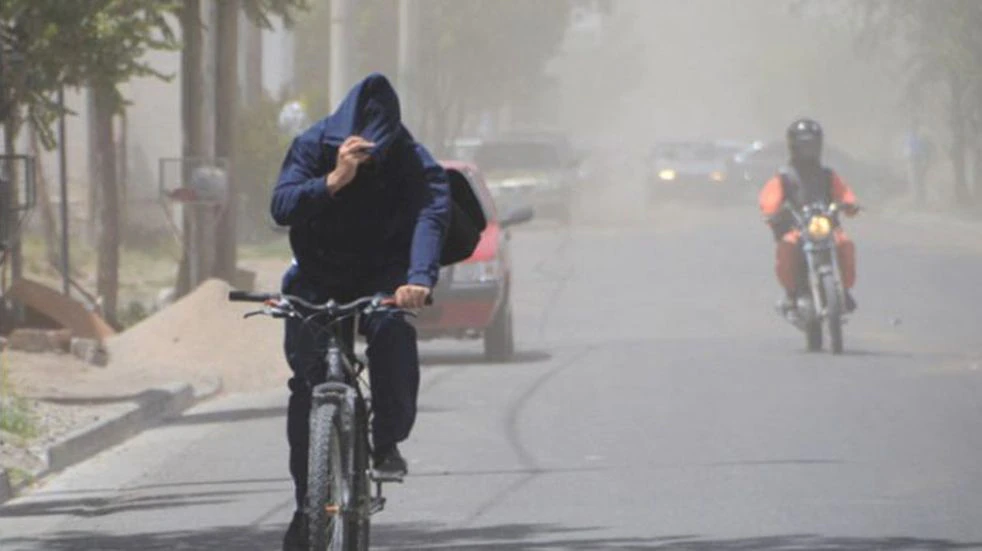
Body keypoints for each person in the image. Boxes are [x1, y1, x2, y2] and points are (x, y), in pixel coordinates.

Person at [270, 73, 450, 550]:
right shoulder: (312, 145)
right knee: (306, 387)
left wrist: (419, 278)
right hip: (316, 272)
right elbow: (281, 206)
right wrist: (332, 180)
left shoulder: (410, 158)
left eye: (375, 154)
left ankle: (386, 439)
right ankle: (308, 505)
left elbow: (432, 211)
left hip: (382, 275)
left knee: (392, 332)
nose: (368, 160)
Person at [758, 118, 860, 314]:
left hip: (826, 227)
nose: (809, 150)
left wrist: (849, 204)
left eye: (812, 145)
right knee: (787, 247)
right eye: (804, 145)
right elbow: (770, 198)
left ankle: (844, 291)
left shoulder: (828, 175)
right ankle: (791, 293)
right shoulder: (784, 176)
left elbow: (844, 193)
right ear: (794, 146)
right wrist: (772, 212)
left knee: (845, 245)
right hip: (797, 228)